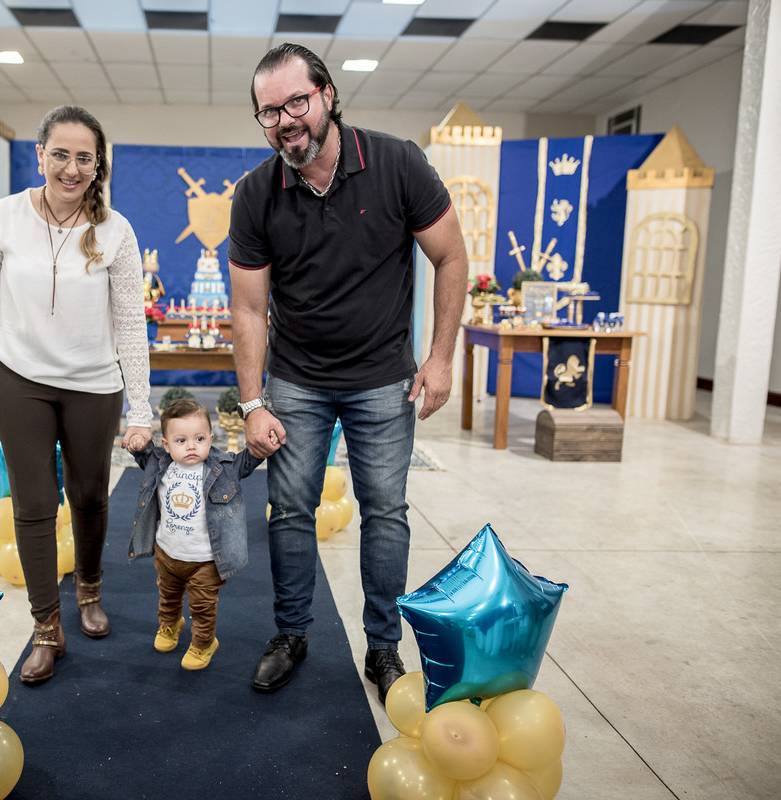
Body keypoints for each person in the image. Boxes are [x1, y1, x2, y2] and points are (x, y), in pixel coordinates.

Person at [227, 43, 469, 702]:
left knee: (386, 513)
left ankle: (383, 647)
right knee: (290, 512)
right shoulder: (255, 195)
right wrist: (254, 403)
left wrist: (440, 357)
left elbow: (451, 257)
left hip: (383, 379)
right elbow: (248, 310)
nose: (284, 120)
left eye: (295, 102)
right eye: (268, 111)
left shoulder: (397, 163)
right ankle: (292, 635)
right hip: (298, 380)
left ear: (328, 95)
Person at [0, 105, 154, 686]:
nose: (71, 168)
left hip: (94, 384)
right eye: (60, 154)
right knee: (34, 503)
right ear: (40, 155)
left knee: (90, 496)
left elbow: (129, 325)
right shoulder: (3, 217)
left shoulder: (115, 230)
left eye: (84, 158)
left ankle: (88, 591)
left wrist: (140, 408)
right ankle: (47, 627)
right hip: (19, 381)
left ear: (98, 165)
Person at [127, 398, 264, 670]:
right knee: (168, 595)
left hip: (206, 560)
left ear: (211, 439)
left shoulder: (223, 467)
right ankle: (169, 625)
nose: (191, 446)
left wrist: (263, 445)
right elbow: (142, 452)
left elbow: (249, 460)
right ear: (166, 445)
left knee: (202, 605)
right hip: (167, 554)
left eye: (199, 438)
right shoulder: (160, 465)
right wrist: (136, 443)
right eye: (181, 441)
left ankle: (203, 643)